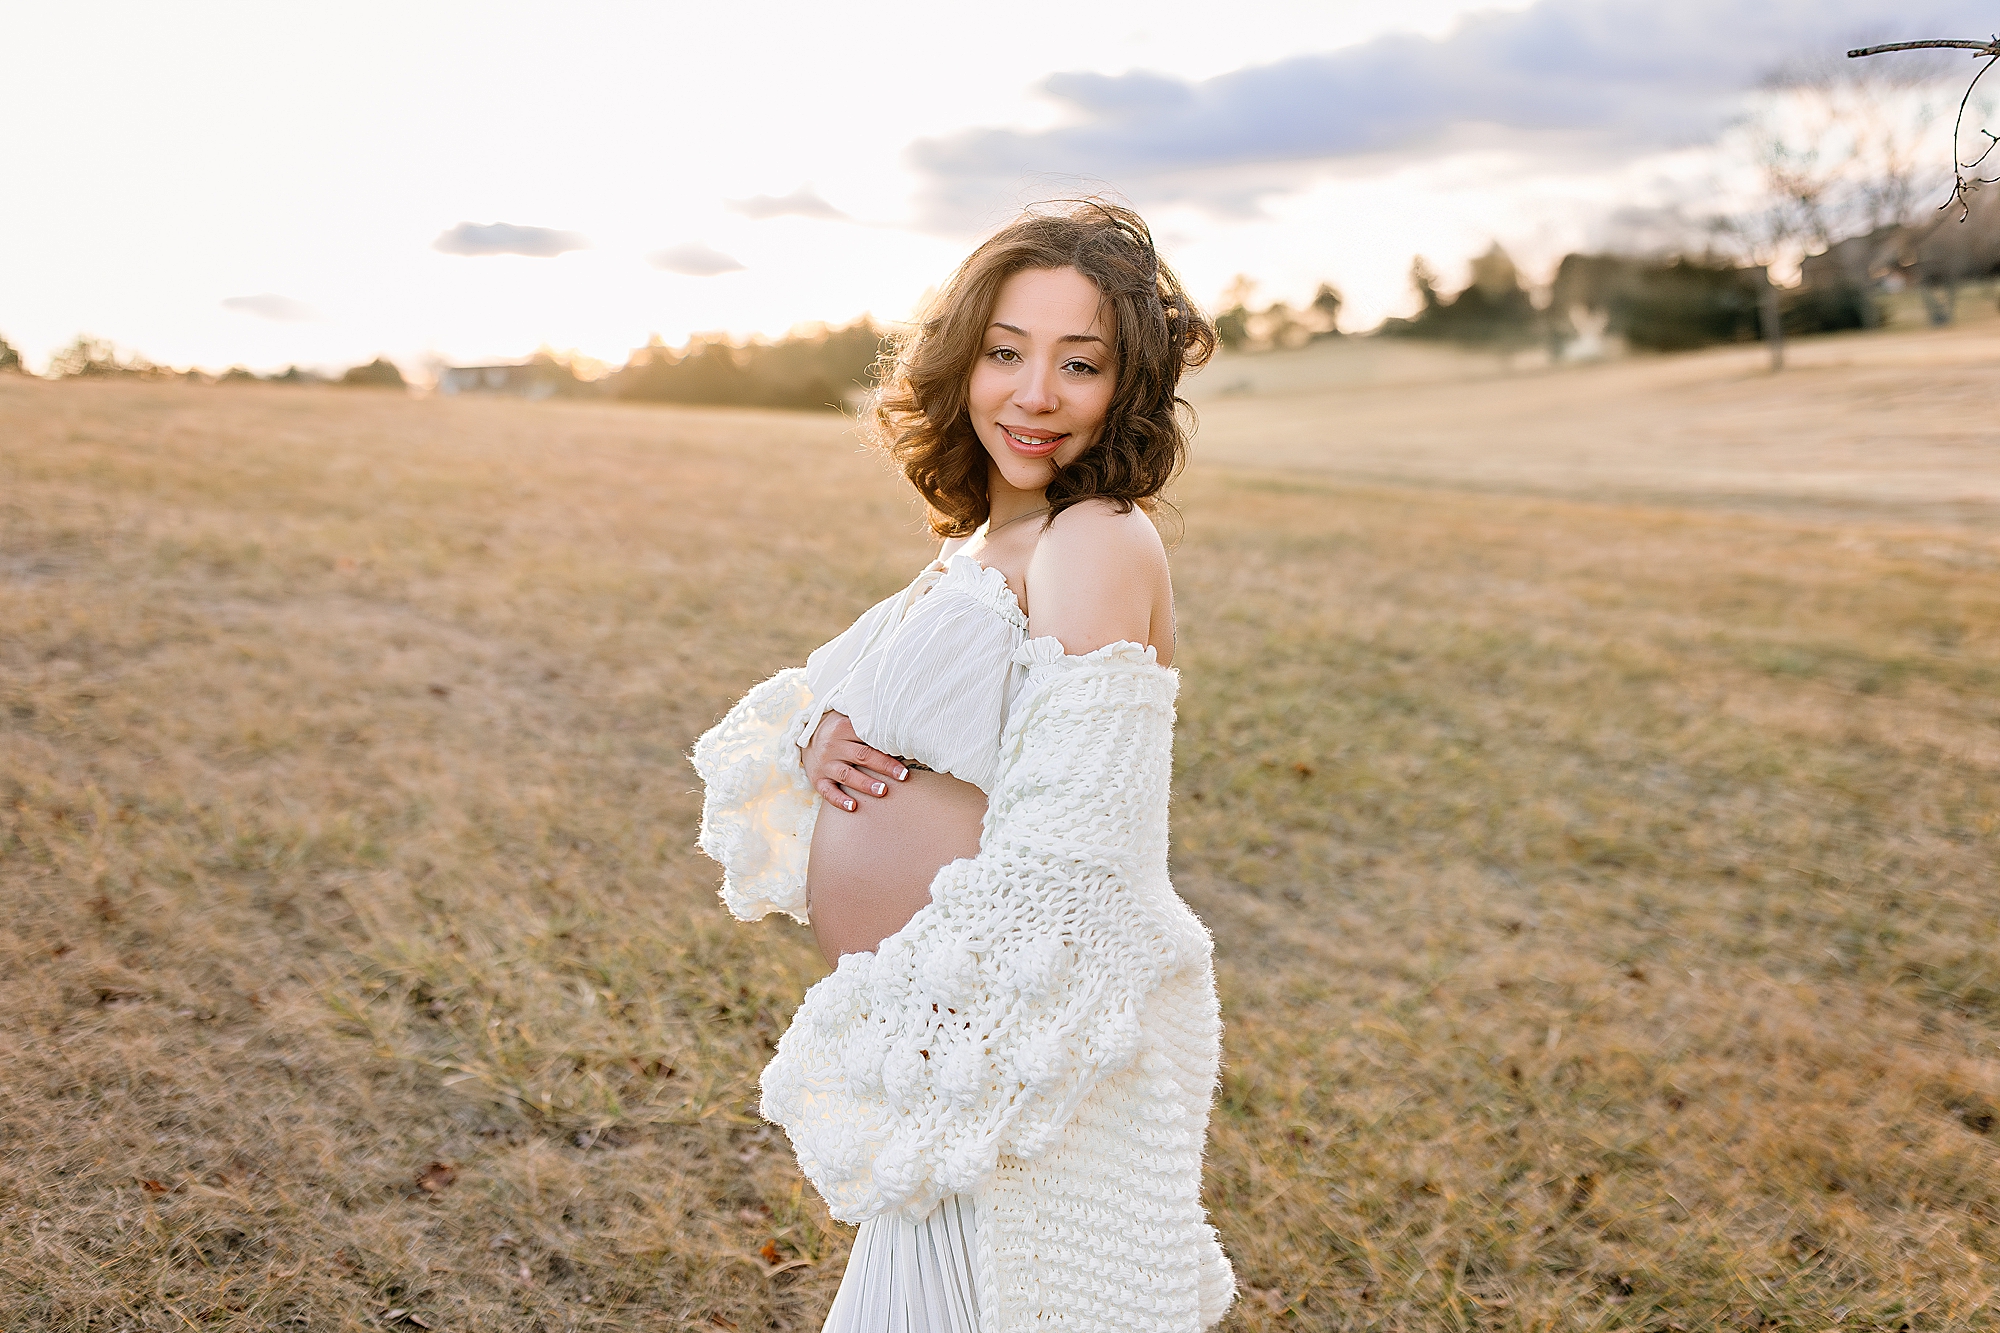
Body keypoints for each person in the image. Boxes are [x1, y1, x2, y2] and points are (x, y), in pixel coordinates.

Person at [692, 200, 1234, 1333]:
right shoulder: (975, 550)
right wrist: (818, 735)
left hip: (997, 1055)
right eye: (1005, 352)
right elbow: (820, 698)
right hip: (941, 1048)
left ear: (1124, 388)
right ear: (961, 363)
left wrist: (942, 1024)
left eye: (1078, 364)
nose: (1033, 394)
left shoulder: (1094, 538)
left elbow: (1075, 844)